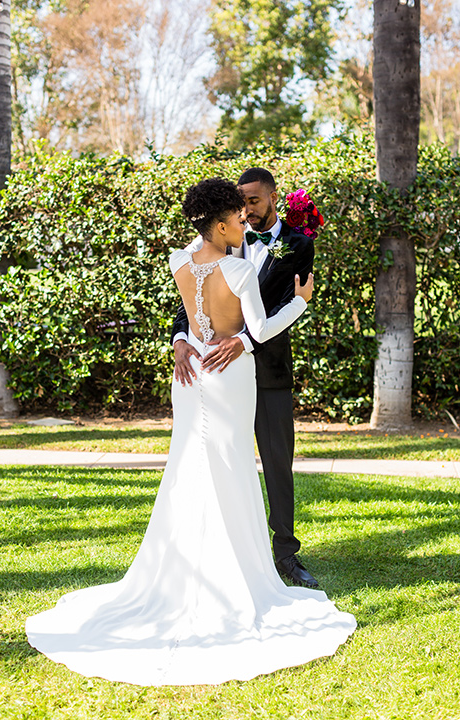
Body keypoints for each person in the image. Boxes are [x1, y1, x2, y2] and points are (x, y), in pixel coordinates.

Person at [25, 178, 355, 686]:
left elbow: (194, 316)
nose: (244, 222)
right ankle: (236, 574)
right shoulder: (241, 268)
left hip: (193, 376)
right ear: (220, 222)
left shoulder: (180, 260)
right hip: (228, 377)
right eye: (237, 218)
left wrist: (185, 340)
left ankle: (187, 569)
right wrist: (302, 302)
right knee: (231, 468)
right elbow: (260, 330)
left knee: (190, 467)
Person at [172, 168, 317, 588]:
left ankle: (286, 555)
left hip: (266, 370)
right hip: (219, 374)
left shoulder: (298, 245)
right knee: (215, 459)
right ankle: (221, 553)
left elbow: (278, 305)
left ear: (273, 197)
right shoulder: (215, 243)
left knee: (276, 464)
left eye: (254, 201)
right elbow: (191, 302)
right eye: (241, 203)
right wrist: (180, 337)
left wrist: (242, 342)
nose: (247, 210)